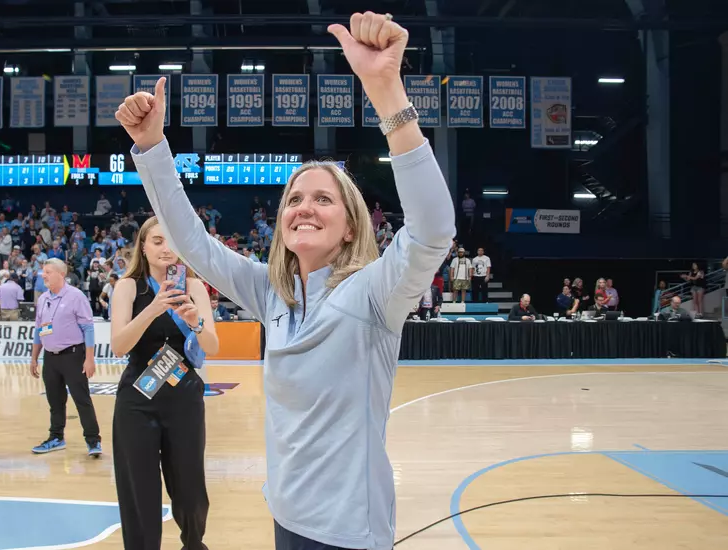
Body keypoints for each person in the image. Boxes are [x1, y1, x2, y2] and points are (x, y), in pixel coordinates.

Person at [116, 11, 454, 549]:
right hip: (285, 516)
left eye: (324, 198)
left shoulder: (372, 293)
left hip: (348, 532)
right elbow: (194, 245)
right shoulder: (273, 293)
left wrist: (386, 91)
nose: (304, 207)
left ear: (350, 227)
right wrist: (153, 148)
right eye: (294, 199)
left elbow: (434, 229)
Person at [108, 217, 219, 550]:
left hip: (183, 395)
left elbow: (212, 347)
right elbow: (119, 345)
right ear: (143, 246)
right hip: (137, 398)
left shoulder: (195, 287)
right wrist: (153, 309)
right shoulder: (128, 286)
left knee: (190, 488)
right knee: (139, 488)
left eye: (171, 241)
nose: (165, 249)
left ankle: (194, 543)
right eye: (157, 241)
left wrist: (195, 321)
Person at [29, 258, 102, 457]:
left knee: (81, 399)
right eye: (43, 272)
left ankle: (93, 440)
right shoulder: (43, 299)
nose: (43, 275)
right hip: (50, 358)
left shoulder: (76, 296)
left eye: (48, 272)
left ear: (61, 274)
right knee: (55, 401)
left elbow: (88, 328)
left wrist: (89, 358)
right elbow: (38, 330)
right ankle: (56, 438)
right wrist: (34, 357)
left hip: (73, 356)